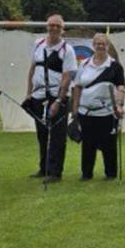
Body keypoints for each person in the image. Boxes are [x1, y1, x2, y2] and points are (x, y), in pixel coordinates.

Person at [25, 14, 77, 183]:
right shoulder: (38, 44)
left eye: (57, 26)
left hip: (56, 96)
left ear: (62, 29)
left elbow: (67, 77)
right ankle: (44, 167)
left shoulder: (66, 50)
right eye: (51, 25)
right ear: (47, 26)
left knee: (57, 135)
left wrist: (59, 101)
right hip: (38, 95)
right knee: (42, 133)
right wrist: (29, 93)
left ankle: (55, 172)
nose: (54, 28)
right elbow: (32, 69)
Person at [70, 33, 125, 181]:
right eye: (98, 43)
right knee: (87, 144)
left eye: (103, 44)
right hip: (85, 111)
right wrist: (74, 108)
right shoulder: (84, 64)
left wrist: (119, 105)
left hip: (106, 112)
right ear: (93, 45)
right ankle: (86, 173)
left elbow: (120, 87)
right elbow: (77, 87)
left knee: (109, 144)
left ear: (108, 46)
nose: (100, 46)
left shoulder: (115, 66)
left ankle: (111, 173)